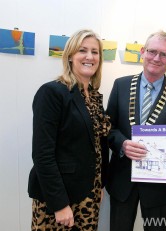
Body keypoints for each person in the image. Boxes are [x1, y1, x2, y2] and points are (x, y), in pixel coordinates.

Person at [28, 29, 111, 230]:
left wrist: (99, 186)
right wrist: (60, 204)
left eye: (95, 51)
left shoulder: (94, 96)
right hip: (59, 199)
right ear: (70, 56)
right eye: (83, 50)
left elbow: (98, 146)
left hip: (89, 197)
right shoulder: (52, 92)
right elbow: (42, 154)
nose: (90, 57)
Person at [106, 30, 166, 231]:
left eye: (164, 55)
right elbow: (109, 128)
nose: (156, 58)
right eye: (152, 51)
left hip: (159, 186)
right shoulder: (121, 85)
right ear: (142, 52)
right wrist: (122, 144)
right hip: (122, 179)